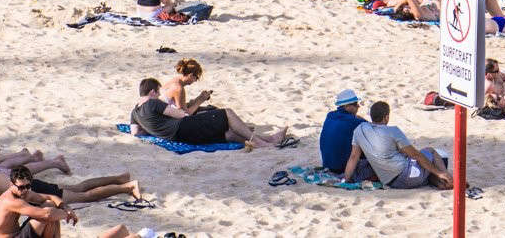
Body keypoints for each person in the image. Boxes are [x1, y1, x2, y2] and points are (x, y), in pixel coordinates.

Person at [133, 76, 285, 149]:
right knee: (227, 113)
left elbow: (136, 132)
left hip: (177, 137)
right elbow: (180, 114)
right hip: (183, 128)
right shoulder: (152, 103)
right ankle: (260, 143)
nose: (159, 95)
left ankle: (268, 139)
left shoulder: (135, 112)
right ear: (152, 92)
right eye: (158, 93)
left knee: (227, 133)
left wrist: (156, 128)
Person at [343, 99, 450, 190]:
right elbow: (415, 155)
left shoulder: (359, 130)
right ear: (386, 117)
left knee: (425, 172)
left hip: (392, 182)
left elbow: (353, 157)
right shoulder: (393, 131)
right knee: (430, 151)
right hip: (407, 175)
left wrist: (346, 180)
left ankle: (441, 183)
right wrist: (439, 172)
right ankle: (448, 178)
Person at [321, 88, 377, 180]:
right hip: (343, 168)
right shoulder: (355, 122)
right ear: (347, 106)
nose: (358, 106)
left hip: (327, 165)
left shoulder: (330, 115)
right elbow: (375, 128)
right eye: (355, 104)